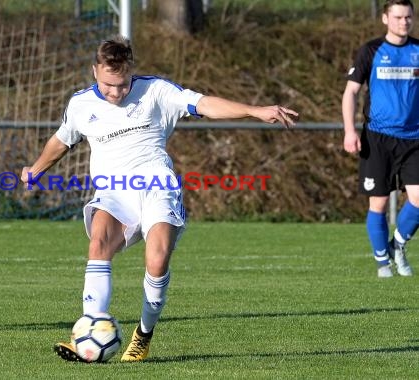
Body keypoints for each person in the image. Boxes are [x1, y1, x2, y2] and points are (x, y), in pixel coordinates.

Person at [21, 35, 298, 362]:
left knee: (156, 261)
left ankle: (143, 335)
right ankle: (89, 332)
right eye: (109, 85)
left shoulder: (156, 91)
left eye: (122, 84)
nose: (116, 92)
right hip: (113, 192)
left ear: (131, 71)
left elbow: (205, 104)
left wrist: (254, 111)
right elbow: (60, 141)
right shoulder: (81, 105)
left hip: (157, 187)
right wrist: (36, 170)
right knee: (98, 243)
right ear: (95, 71)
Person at [342, 0, 419, 278]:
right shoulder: (371, 50)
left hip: (414, 138)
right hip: (377, 138)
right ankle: (382, 262)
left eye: (408, 17)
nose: (404, 22)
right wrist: (350, 131)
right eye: (398, 17)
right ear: (385, 19)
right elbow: (351, 92)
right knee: (379, 203)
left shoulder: (418, 50)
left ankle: (397, 245)